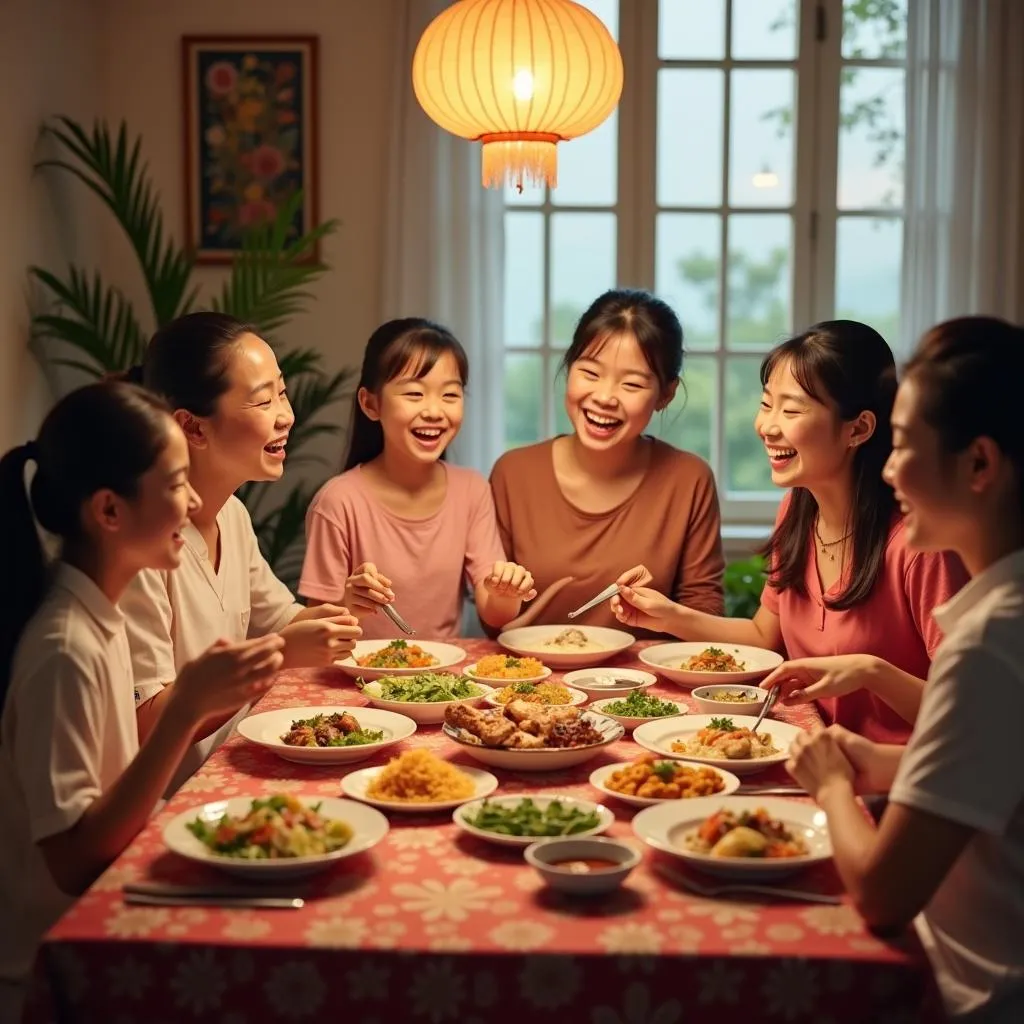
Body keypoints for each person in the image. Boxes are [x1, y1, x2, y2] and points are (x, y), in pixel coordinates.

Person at [0, 382, 284, 1019]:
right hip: (63, 965)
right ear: (109, 512)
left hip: (115, 910)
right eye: (176, 481)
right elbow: (73, 862)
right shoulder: (65, 647)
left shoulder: (97, 617)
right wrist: (183, 711)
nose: (191, 501)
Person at [786, 316, 1024, 1022]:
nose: (888, 470)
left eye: (905, 445)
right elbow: (995, 775)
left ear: (979, 465)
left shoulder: (990, 645)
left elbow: (883, 896)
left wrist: (832, 784)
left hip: (967, 991)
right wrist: (886, 765)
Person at [613, 321, 967, 743]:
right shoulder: (797, 511)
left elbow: (967, 711)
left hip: (897, 777)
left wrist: (872, 674)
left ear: (858, 429)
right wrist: (669, 616)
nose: (768, 426)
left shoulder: (918, 544)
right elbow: (765, 635)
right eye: (767, 404)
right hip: (811, 752)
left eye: (792, 410)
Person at [121, 312, 361, 791]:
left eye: (283, 392)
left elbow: (284, 624)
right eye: (261, 400)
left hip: (230, 772)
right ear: (192, 427)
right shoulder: (144, 547)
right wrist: (276, 656)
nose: (286, 415)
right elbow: (145, 723)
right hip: (171, 800)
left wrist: (346, 605)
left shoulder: (231, 514)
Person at [489, 288, 725, 633]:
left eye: (631, 384)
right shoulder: (514, 473)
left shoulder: (689, 479)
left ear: (666, 394)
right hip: (529, 680)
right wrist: (500, 595)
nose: (604, 397)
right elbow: (494, 619)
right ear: (569, 367)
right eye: (590, 373)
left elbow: (704, 612)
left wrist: (668, 616)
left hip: (642, 684)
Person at [299, 317, 536, 639]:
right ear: (371, 404)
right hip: (356, 679)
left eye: (450, 395)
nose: (434, 411)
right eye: (414, 394)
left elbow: (493, 613)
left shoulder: (471, 490)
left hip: (444, 682)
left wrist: (505, 593)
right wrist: (349, 602)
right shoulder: (338, 501)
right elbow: (316, 629)